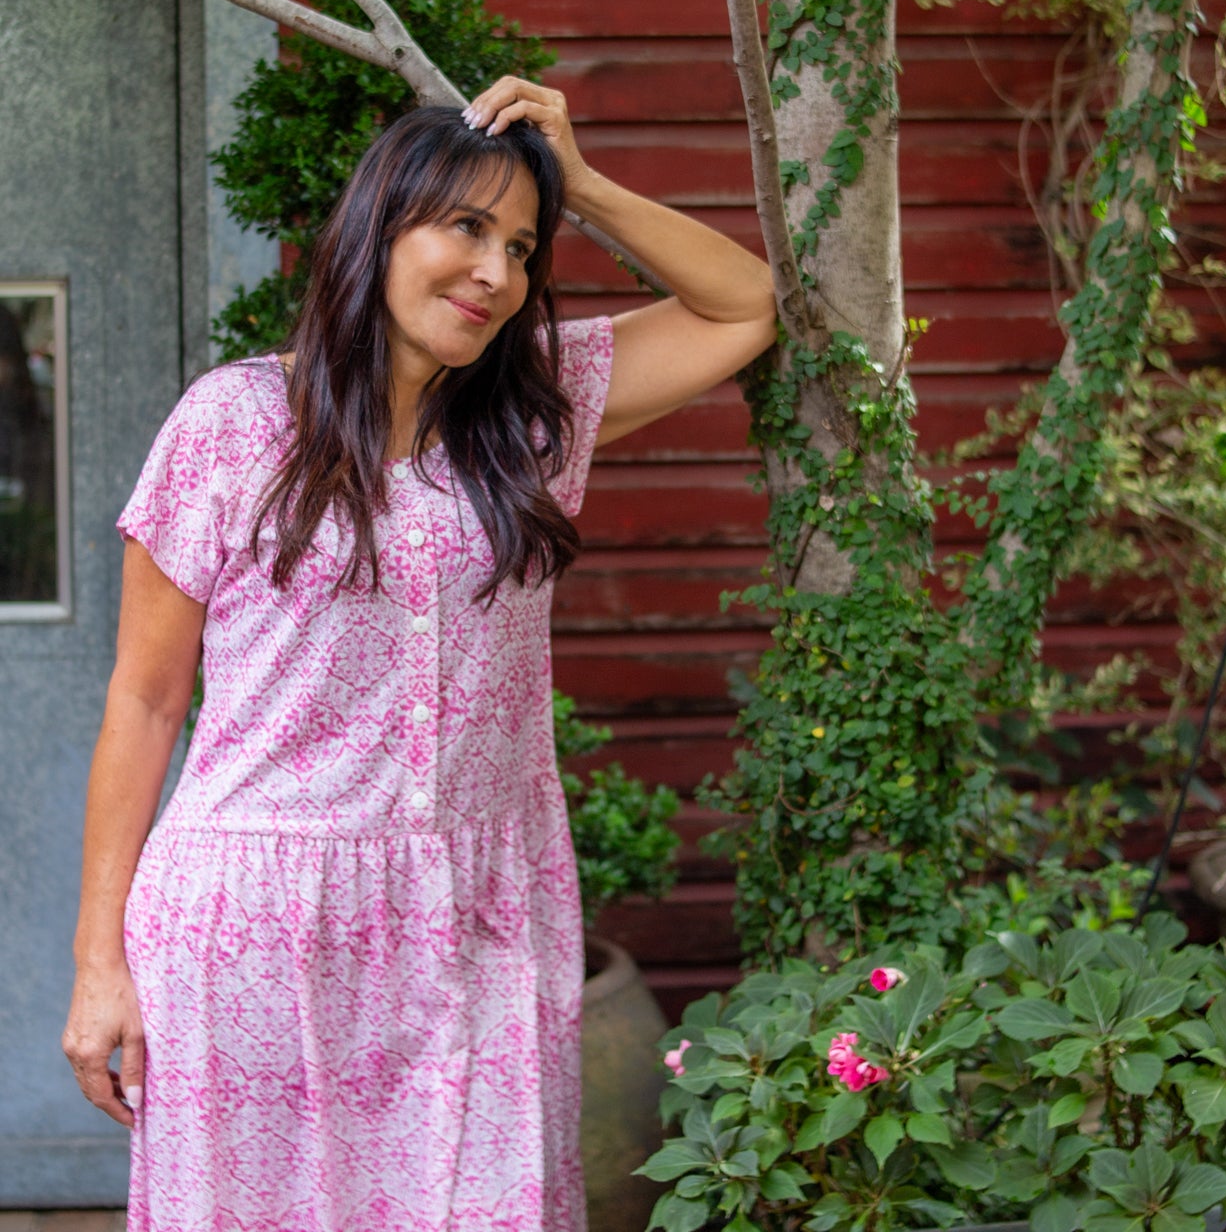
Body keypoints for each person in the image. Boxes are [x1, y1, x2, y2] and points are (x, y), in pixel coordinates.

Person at [62, 79, 777, 1232]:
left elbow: (744, 303)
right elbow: (144, 702)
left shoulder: (531, 420)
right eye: (465, 227)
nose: (494, 271)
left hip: (478, 917)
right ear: (380, 227)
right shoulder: (233, 424)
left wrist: (578, 182)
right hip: (259, 926)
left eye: (522, 245)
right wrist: (101, 963)